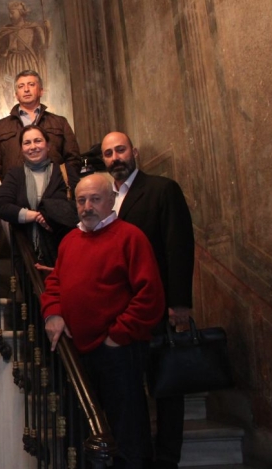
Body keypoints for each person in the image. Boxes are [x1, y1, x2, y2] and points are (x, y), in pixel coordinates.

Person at [42, 173, 165, 469]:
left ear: (111, 200)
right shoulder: (70, 241)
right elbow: (55, 283)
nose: (87, 207)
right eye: (81, 200)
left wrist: (117, 335)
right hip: (78, 351)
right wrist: (53, 313)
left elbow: (150, 296)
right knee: (84, 429)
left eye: (95, 199)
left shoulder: (130, 237)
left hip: (119, 350)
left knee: (127, 432)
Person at [101, 131, 195, 469]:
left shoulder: (162, 190)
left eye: (121, 150)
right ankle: (140, 453)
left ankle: (167, 457)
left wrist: (179, 303)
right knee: (130, 387)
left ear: (135, 152)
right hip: (120, 311)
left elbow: (178, 246)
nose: (116, 158)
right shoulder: (104, 199)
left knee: (166, 383)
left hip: (157, 305)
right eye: (108, 153)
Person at [0, 125, 78, 270]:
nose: (33, 147)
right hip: (27, 253)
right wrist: (35, 216)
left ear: (48, 145)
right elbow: (1, 206)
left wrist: (50, 215)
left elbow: (81, 204)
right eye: (27, 143)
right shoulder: (15, 175)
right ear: (21, 149)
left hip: (62, 249)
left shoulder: (65, 172)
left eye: (38, 141)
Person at [0, 69, 81, 177]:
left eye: (31, 84)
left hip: (54, 185)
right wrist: (6, 186)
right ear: (16, 95)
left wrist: (63, 183)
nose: (26, 89)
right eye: (21, 86)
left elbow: (73, 158)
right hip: (15, 186)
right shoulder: (0, 126)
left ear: (41, 91)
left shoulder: (60, 122)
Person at [0, 0, 51, 115]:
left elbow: (44, 46)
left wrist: (48, 30)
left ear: (20, 13)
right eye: (9, 13)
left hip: (28, 62)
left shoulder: (33, 28)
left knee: (30, 87)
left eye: (12, 13)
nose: (10, 16)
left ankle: (34, 113)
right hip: (12, 64)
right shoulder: (6, 31)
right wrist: (3, 54)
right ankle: (14, 113)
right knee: (10, 86)